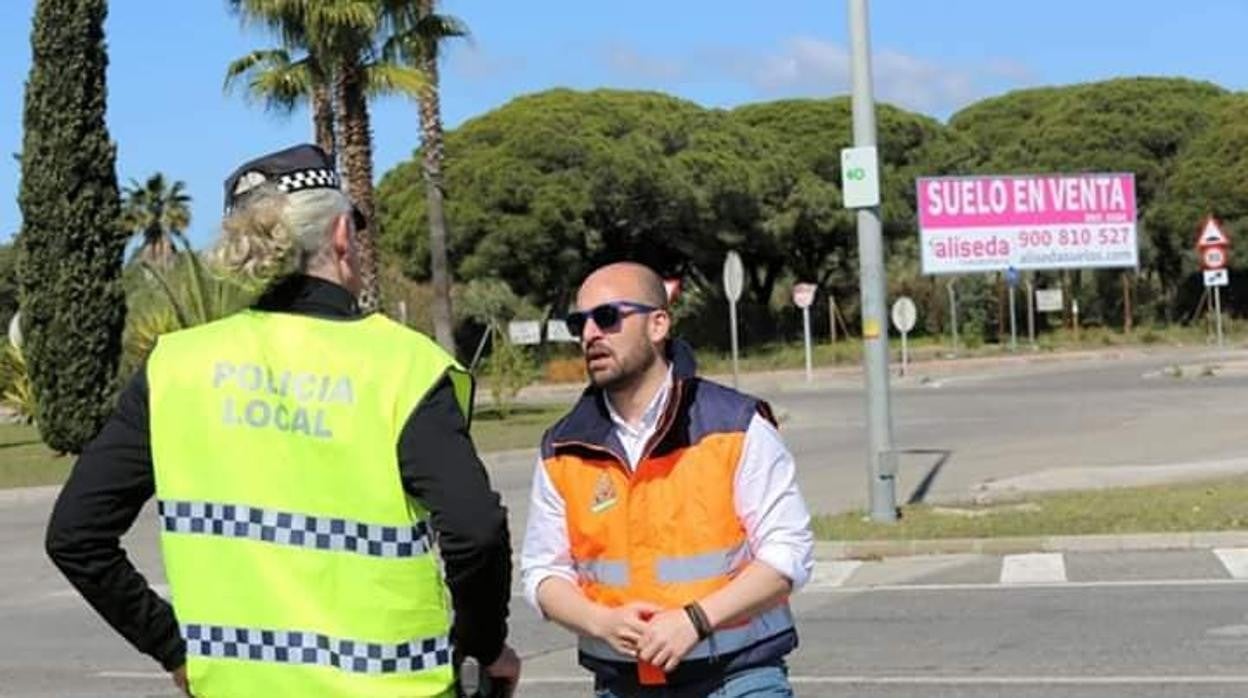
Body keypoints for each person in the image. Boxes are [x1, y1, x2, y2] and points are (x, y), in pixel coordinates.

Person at [45, 144, 519, 697]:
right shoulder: (403, 365)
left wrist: (174, 651)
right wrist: (484, 647)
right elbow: (475, 531)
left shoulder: (177, 367)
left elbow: (75, 536)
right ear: (342, 234)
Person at [520, 262, 814, 697]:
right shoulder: (563, 447)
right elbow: (543, 574)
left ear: (658, 324)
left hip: (737, 678)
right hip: (621, 684)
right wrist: (602, 622)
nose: (590, 335)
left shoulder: (735, 424)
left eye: (607, 318)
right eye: (578, 323)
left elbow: (788, 556)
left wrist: (694, 620)